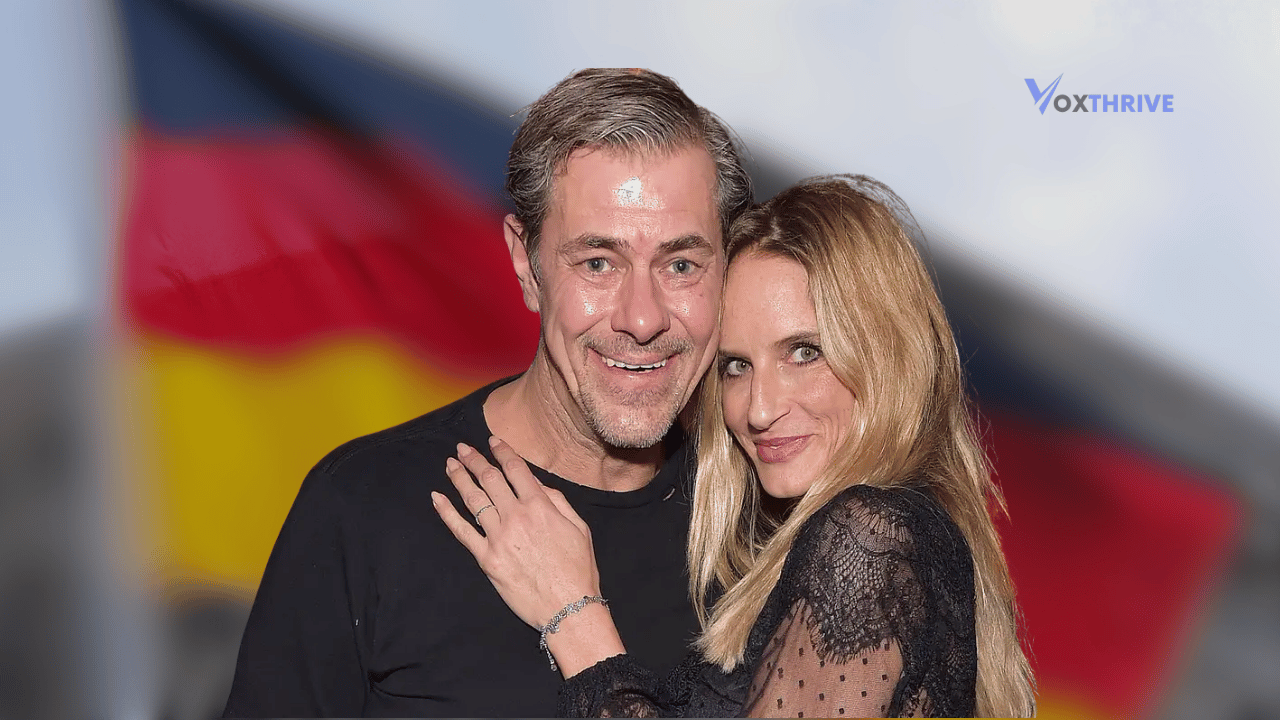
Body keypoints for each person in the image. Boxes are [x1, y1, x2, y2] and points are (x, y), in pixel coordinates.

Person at [222, 68, 753, 717]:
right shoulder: (363, 508)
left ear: (728, 270)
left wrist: (575, 620)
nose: (642, 319)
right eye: (597, 263)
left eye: (681, 264)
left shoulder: (766, 527)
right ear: (526, 264)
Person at [434, 176, 1037, 717]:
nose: (759, 409)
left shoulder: (868, 538)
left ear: (888, 355)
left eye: (805, 352)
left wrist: (574, 615)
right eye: (736, 366)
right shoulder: (864, 537)